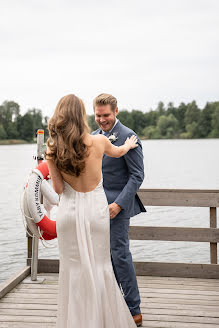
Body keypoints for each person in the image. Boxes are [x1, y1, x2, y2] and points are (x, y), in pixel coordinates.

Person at [45, 94, 139, 328]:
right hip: (97, 213)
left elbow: (57, 189)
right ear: (82, 116)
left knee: (72, 268)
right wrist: (127, 145)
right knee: (101, 265)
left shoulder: (53, 150)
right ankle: (104, 319)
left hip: (69, 213)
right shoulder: (98, 142)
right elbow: (118, 152)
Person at [92, 93, 146, 327]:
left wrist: (119, 204)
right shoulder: (93, 137)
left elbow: (137, 175)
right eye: (97, 115)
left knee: (120, 256)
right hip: (95, 206)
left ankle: (134, 309)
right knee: (101, 258)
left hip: (118, 206)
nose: (102, 120)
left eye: (106, 115)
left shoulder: (128, 136)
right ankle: (111, 304)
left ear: (116, 112)